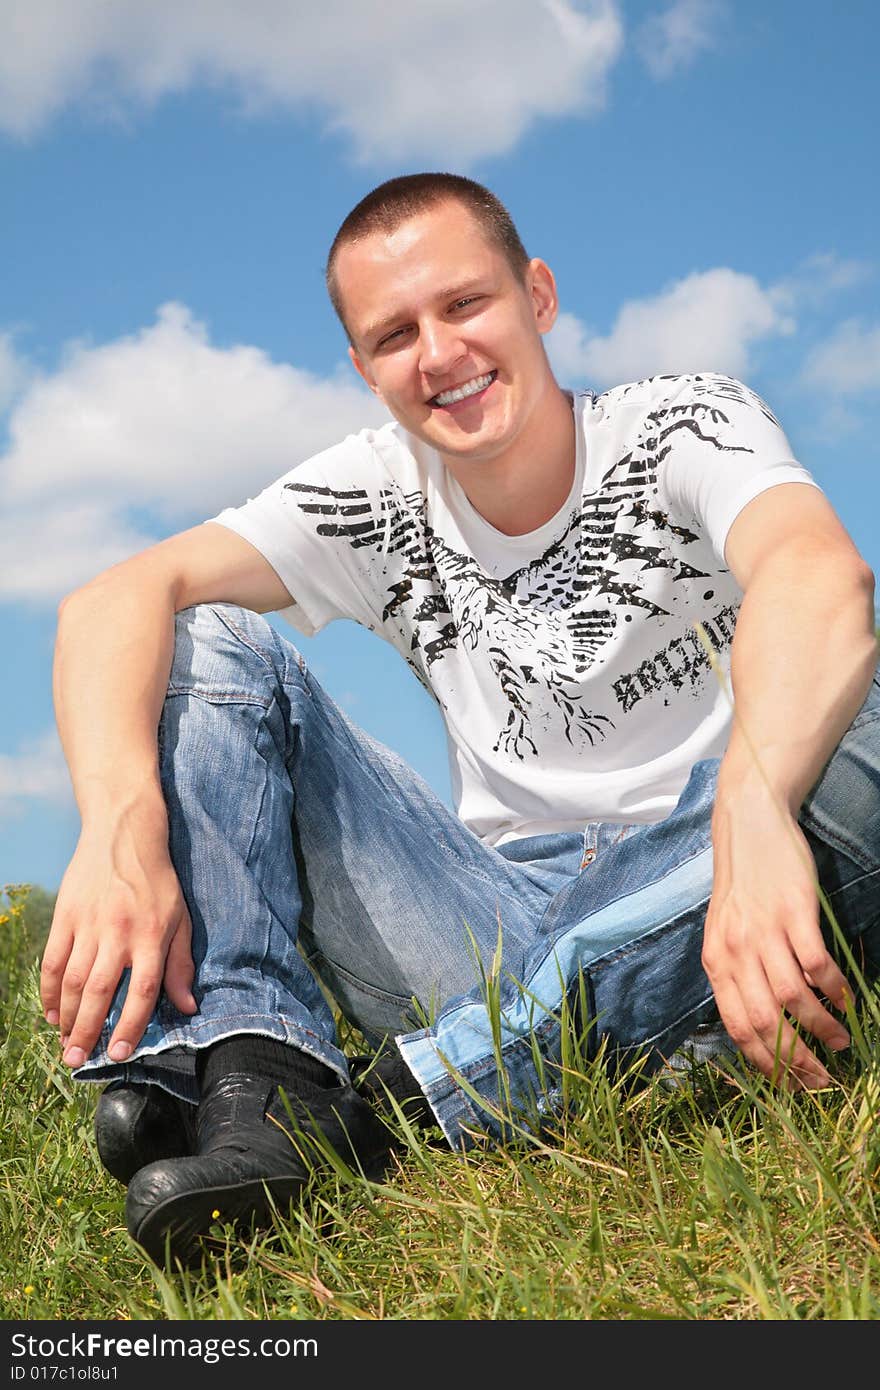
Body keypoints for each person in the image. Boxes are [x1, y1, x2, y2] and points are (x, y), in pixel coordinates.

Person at [42, 173, 880, 1268]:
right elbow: (108, 599)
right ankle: (257, 1076)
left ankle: (374, 1113)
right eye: (394, 333)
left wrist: (754, 807)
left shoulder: (681, 420)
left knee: (862, 729)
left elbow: (819, 572)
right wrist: (120, 828)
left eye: (464, 304)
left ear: (537, 295)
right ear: (361, 366)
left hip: (713, 887)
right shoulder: (376, 490)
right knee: (198, 637)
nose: (437, 354)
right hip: (480, 919)